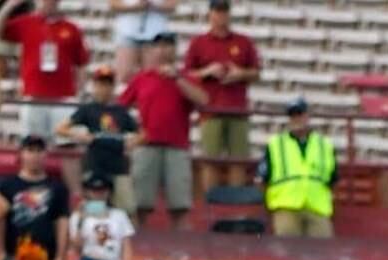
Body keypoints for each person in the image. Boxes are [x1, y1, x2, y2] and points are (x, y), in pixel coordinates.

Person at [120, 30, 206, 227]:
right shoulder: (142, 78)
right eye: (159, 46)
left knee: (180, 207)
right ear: (152, 50)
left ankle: (183, 252)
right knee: (140, 205)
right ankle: (138, 248)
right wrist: (133, 134)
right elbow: (120, 107)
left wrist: (177, 79)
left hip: (177, 146)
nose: (163, 50)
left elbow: (202, 100)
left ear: (175, 50)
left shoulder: (186, 77)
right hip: (147, 145)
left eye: (168, 46)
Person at [183, 0, 260, 194]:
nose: (221, 16)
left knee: (238, 158)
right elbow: (187, 75)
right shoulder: (198, 43)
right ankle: (211, 200)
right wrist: (208, 71)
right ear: (210, 14)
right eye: (217, 12)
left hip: (237, 109)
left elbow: (256, 73)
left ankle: (236, 199)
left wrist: (240, 74)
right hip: (210, 109)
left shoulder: (243, 42)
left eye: (224, 12)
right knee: (210, 158)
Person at [0, 0, 90, 141]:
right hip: (33, 97)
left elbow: (81, 63)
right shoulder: (25, 22)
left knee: (66, 146)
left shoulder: (71, 28)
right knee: (33, 146)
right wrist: (9, 6)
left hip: (63, 98)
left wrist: (80, 92)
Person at [57, 65, 138, 216]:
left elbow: (142, 133)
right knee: (94, 210)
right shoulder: (88, 109)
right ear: (94, 86)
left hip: (118, 166)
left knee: (127, 208)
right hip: (95, 165)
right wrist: (79, 136)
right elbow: (61, 129)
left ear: (112, 87)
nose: (104, 89)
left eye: (107, 85)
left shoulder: (121, 111)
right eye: (100, 84)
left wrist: (133, 142)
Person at [0, 133, 71, 260]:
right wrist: (0, 252)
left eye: (39, 151)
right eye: (30, 150)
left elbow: (62, 222)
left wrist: (60, 257)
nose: (35, 155)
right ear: (21, 154)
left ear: (45, 154)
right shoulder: (7, 185)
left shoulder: (57, 187)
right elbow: (0, 221)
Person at [260, 98, 336, 239]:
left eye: (300, 114)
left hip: (317, 206)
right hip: (286, 206)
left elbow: (333, 177)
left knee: (323, 252)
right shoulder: (275, 145)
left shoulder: (324, 145)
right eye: (293, 115)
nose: (296, 119)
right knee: (288, 251)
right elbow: (264, 177)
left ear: (307, 116)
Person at [68, 174, 134, 260]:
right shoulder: (78, 216)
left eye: (102, 190)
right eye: (94, 191)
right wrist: (81, 219)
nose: (98, 194)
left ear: (109, 192)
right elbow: (77, 247)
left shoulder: (119, 215)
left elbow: (126, 246)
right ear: (88, 192)